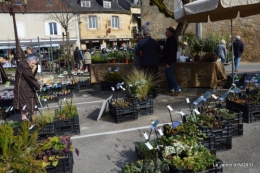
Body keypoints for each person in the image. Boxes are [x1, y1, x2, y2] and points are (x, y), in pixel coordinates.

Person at [135, 28, 161, 98]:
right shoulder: (155, 42)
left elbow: (137, 53)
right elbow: (160, 52)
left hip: (144, 63)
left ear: (143, 34)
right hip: (154, 62)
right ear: (150, 33)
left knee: (145, 78)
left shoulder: (140, 42)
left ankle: (146, 92)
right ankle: (155, 93)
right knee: (154, 77)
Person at [13, 55, 40, 121]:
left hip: (27, 86)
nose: (34, 65)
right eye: (33, 63)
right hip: (22, 88)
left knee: (31, 100)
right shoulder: (24, 66)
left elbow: (30, 77)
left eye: (35, 64)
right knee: (24, 102)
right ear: (28, 61)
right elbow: (30, 78)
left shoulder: (26, 65)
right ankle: (24, 119)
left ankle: (32, 117)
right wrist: (37, 86)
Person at [162, 27, 181, 96]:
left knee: (170, 75)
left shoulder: (172, 41)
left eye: (167, 32)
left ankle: (177, 88)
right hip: (168, 61)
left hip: (169, 61)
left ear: (171, 33)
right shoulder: (169, 40)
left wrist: (168, 63)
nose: (166, 33)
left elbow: (171, 53)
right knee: (168, 75)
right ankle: (171, 89)